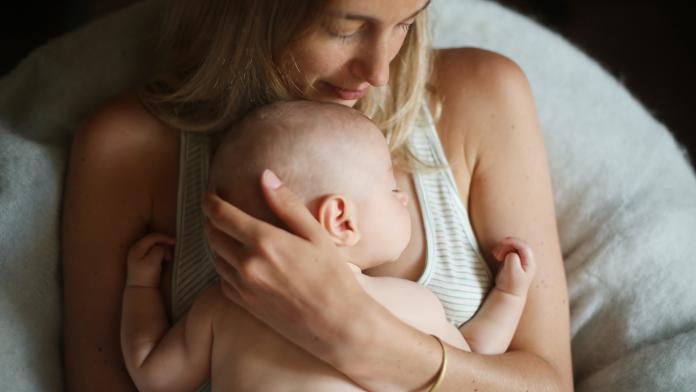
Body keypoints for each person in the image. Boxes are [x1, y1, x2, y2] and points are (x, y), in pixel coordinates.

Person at [61, 0, 573, 390]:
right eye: (344, 27)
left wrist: (358, 335)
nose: (379, 71)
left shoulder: (483, 94)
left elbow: (547, 382)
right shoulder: (125, 149)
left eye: (406, 22)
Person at [120, 100, 536, 391]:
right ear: (340, 219)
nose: (404, 198)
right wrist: (509, 294)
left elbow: (152, 377)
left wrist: (139, 289)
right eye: (393, 189)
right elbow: (475, 361)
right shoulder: (410, 305)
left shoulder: (222, 307)